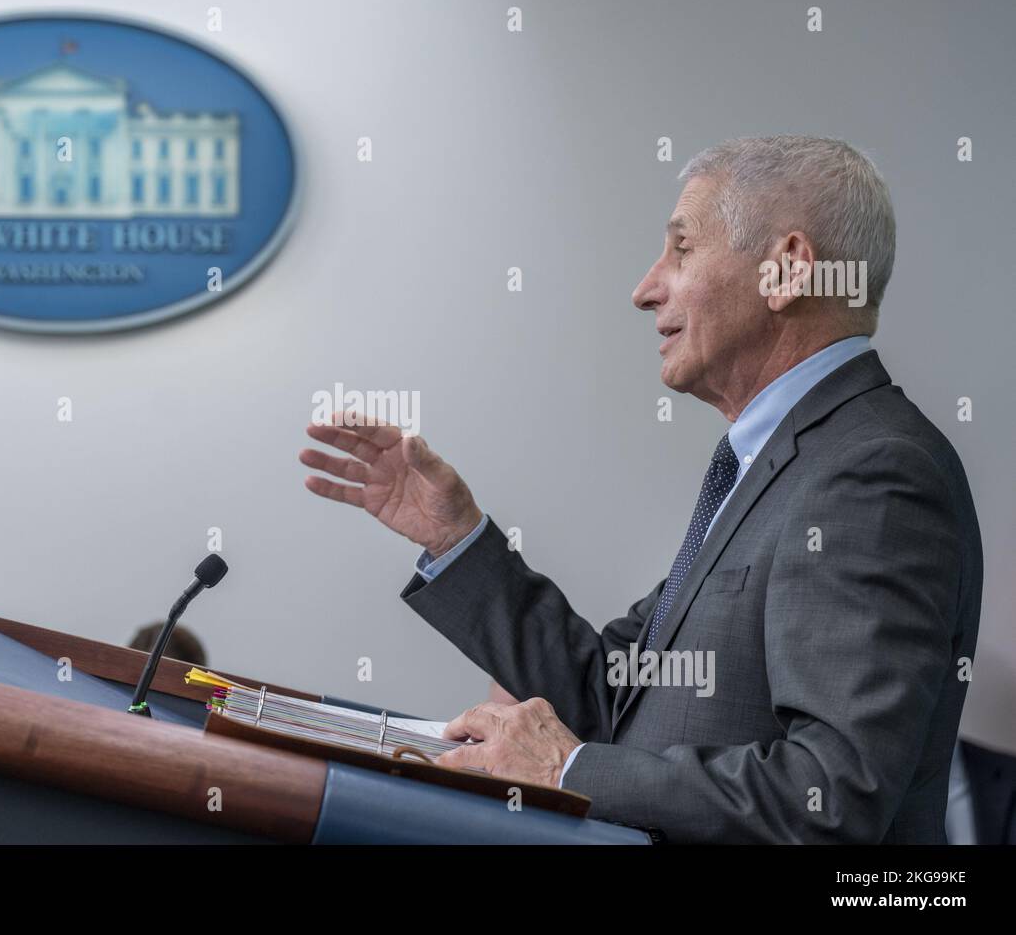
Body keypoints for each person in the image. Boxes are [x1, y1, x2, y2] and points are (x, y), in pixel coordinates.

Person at [299, 136, 983, 843]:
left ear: (786, 270)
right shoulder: (772, 464)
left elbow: (831, 797)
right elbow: (614, 692)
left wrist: (571, 772)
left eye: (681, 249)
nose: (645, 287)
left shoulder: (873, 471)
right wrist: (454, 536)